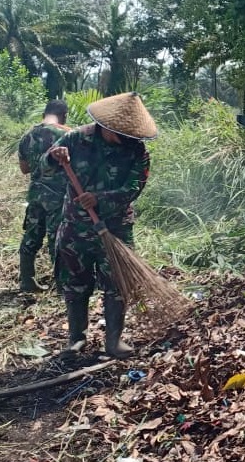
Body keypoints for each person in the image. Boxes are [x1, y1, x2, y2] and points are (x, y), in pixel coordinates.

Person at [42, 92, 157, 359]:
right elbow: (44, 167)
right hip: (76, 227)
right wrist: (53, 156)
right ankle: (76, 339)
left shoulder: (137, 150)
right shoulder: (75, 138)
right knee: (75, 283)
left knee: (117, 284)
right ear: (106, 126)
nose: (128, 139)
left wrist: (100, 198)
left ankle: (113, 341)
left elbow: (134, 187)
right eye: (122, 134)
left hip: (115, 228)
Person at [17, 99, 70, 292]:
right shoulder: (68, 134)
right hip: (58, 196)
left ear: (44, 114)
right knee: (58, 238)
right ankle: (62, 285)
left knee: (32, 235)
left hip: (35, 194)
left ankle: (27, 280)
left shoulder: (27, 136)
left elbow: (24, 169)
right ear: (64, 115)